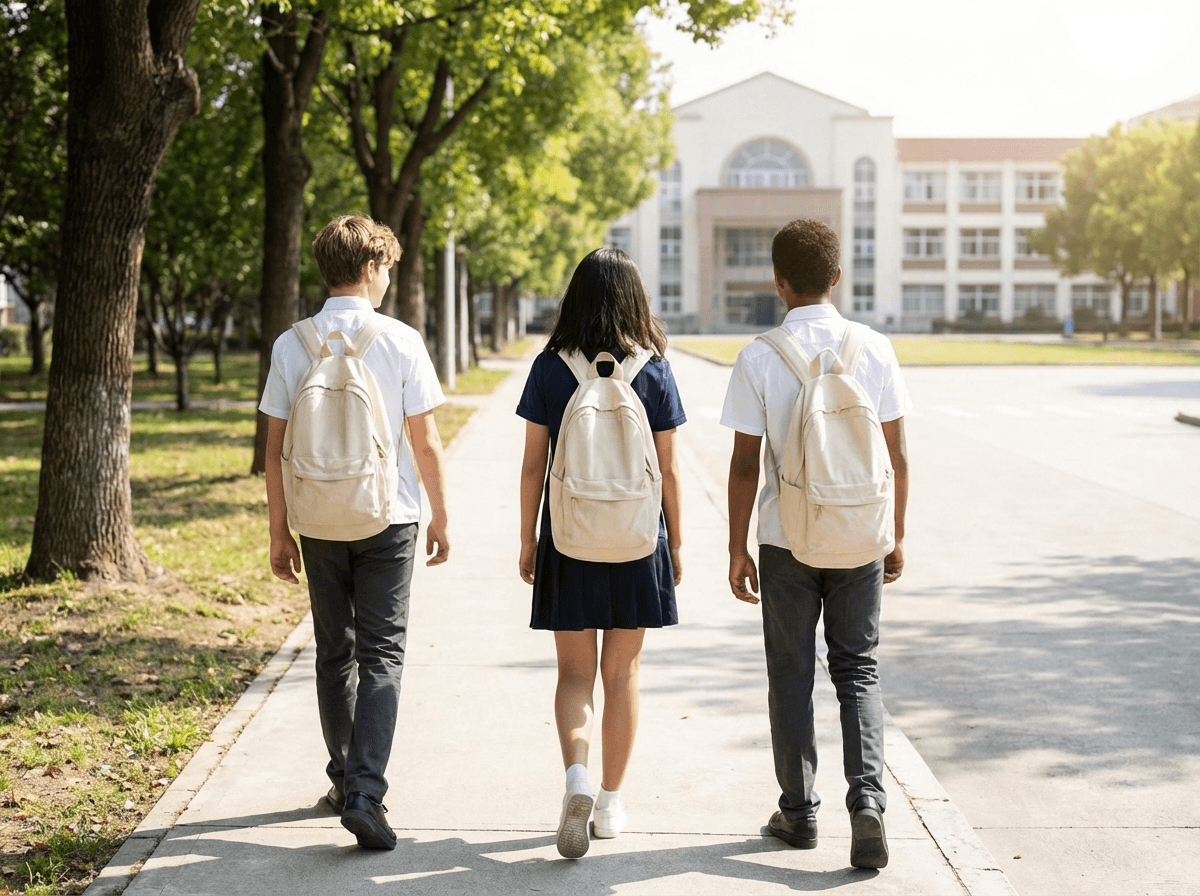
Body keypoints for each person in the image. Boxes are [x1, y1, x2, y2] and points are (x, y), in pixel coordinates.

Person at [721, 218, 910, 870]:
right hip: (860, 535)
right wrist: (897, 535)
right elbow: (899, 454)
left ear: (778, 283)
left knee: (792, 674)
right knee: (857, 668)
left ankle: (799, 814)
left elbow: (745, 465)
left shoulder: (759, 355)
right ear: (838, 276)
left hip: (785, 540)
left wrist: (736, 547)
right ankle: (869, 805)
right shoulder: (875, 349)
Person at [260, 215, 450, 850]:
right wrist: (441, 516)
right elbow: (425, 440)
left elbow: (274, 448)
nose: (390, 278)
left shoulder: (293, 343)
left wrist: (278, 532)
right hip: (387, 516)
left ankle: (343, 778)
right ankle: (367, 792)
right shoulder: (399, 340)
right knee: (384, 653)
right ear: (370, 267)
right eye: (387, 267)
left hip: (316, 517)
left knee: (332, 649)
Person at [516, 248, 686, 859]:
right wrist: (678, 546)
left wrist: (526, 539)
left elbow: (534, 465)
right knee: (623, 674)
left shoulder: (549, 367)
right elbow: (667, 471)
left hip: (569, 535)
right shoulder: (655, 369)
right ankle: (611, 803)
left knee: (574, 675)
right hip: (639, 539)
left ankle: (577, 779)